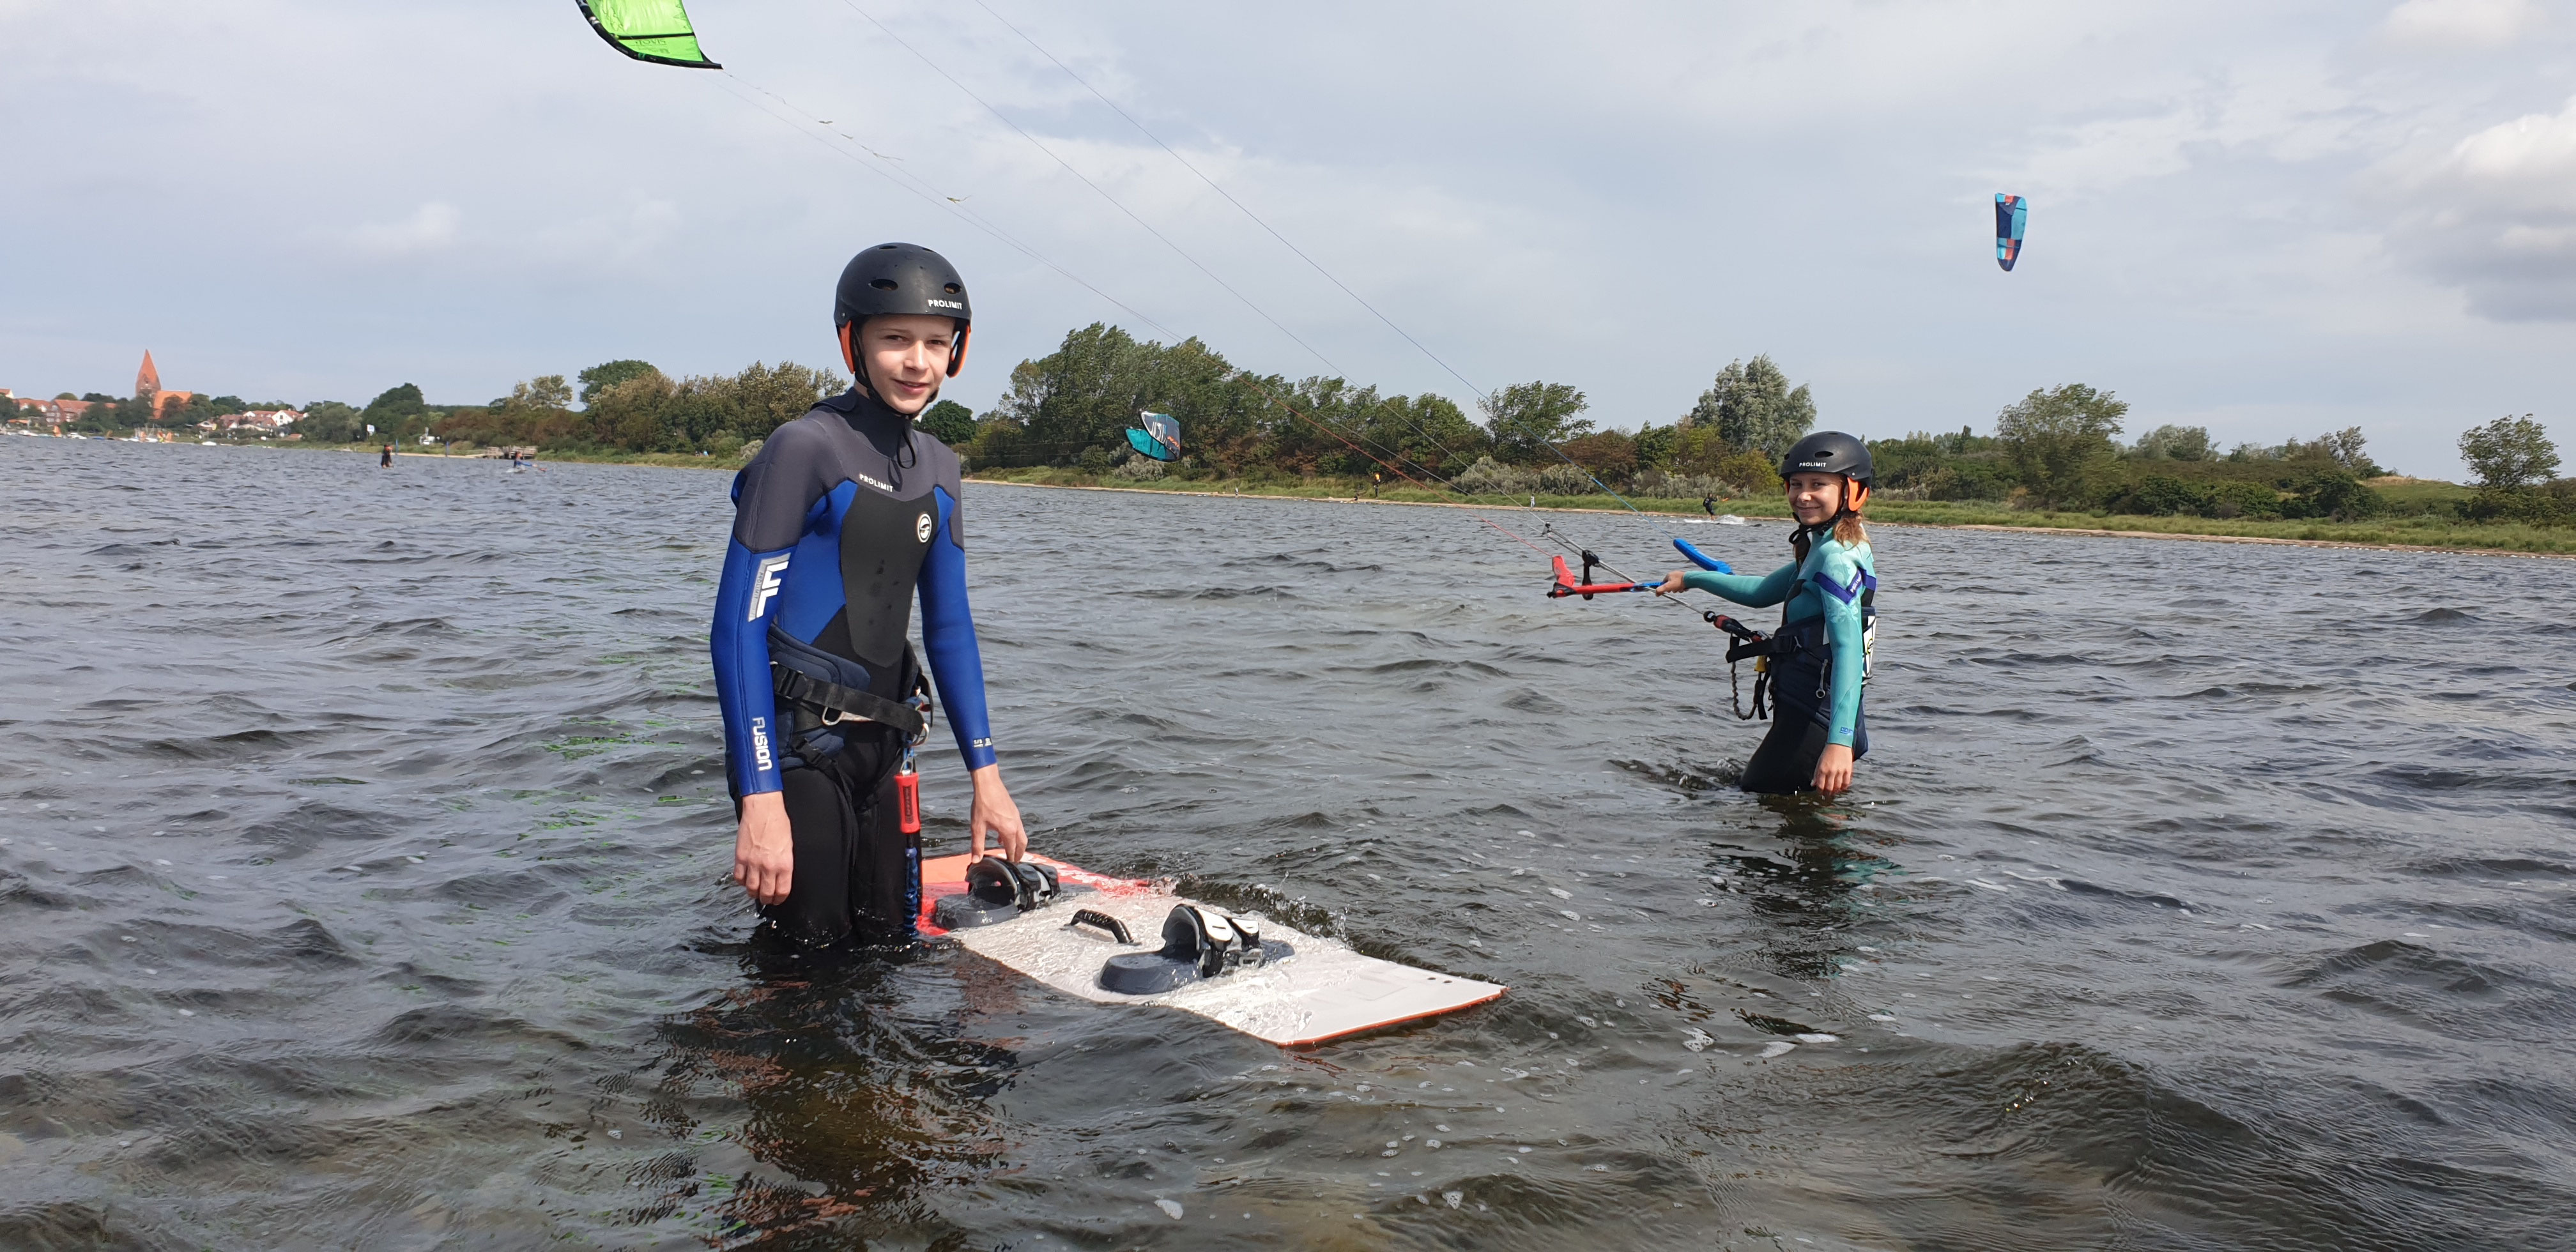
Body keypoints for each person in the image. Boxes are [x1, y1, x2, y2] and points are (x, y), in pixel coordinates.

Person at [710, 242, 1026, 948]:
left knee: (888, 948)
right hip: (799, 751)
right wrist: (760, 799)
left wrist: (987, 774)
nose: (918, 361)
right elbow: (736, 630)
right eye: (895, 339)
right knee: (807, 963)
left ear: (959, 352)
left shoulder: (942, 468)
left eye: (936, 343)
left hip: (885, 749)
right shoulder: (804, 449)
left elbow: (950, 630)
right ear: (853, 341)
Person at [1655, 431, 1877, 797]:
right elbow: (1762, 593)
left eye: (1818, 484)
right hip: (1815, 710)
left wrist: (1839, 743)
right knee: (1791, 821)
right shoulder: (1824, 547)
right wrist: (1692, 578)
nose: (1803, 495)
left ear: (1853, 491)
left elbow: (1849, 651)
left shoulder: (1836, 558)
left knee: (1752, 804)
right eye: (1796, 484)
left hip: (1818, 720)